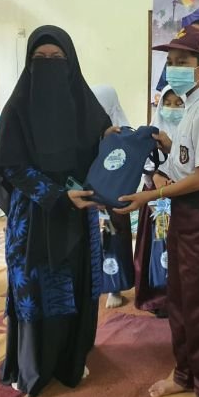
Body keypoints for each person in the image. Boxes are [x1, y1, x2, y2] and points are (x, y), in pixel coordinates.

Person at [0, 25, 115, 397]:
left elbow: (101, 151)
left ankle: (72, 356)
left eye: (57, 58)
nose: (48, 65)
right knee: (36, 286)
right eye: (39, 59)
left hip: (79, 210)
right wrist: (57, 195)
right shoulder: (17, 108)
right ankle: (33, 364)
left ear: (70, 62)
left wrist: (112, 141)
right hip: (35, 213)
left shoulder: (84, 104)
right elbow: (11, 166)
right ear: (29, 63)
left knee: (76, 281)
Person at [116, 25, 199, 397]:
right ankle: (185, 374)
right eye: (170, 61)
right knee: (181, 300)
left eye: (182, 61)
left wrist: (150, 196)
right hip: (183, 210)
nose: (172, 68)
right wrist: (161, 162)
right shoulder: (188, 105)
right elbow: (184, 163)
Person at [133, 86, 184, 317]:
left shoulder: (191, 131)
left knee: (180, 247)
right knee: (157, 244)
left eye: (179, 104)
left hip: (183, 196)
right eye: (168, 103)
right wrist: (154, 176)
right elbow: (142, 160)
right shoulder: (152, 132)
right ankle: (157, 297)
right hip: (156, 197)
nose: (172, 108)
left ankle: (179, 297)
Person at [90, 84, 133, 309]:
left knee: (114, 237)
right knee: (89, 240)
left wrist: (108, 195)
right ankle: (94, 281)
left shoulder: (122, 133)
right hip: (88, 195)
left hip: (114, 196)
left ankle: (115, 286)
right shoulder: (84, 130)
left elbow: (127, 166)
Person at [156, 19, 199, 98]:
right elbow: (163, 90)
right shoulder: (172, 62)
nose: (193, 36)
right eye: (191, 32)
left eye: (182, 62)